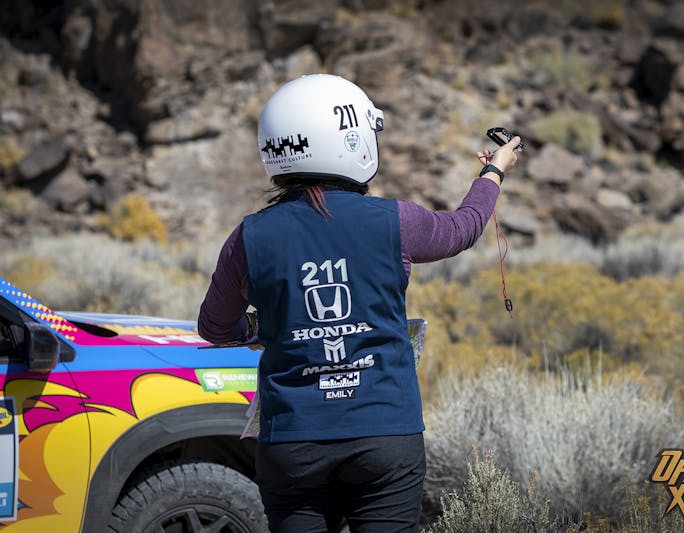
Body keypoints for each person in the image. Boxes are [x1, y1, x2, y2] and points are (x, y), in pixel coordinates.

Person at [197, 73, 521, 533]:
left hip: (293, 440)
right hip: (384, 432)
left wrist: (257, 327)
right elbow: (464, 227)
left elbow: (214, 327)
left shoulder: (249, 236)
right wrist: (494, 172)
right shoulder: (395, 220)